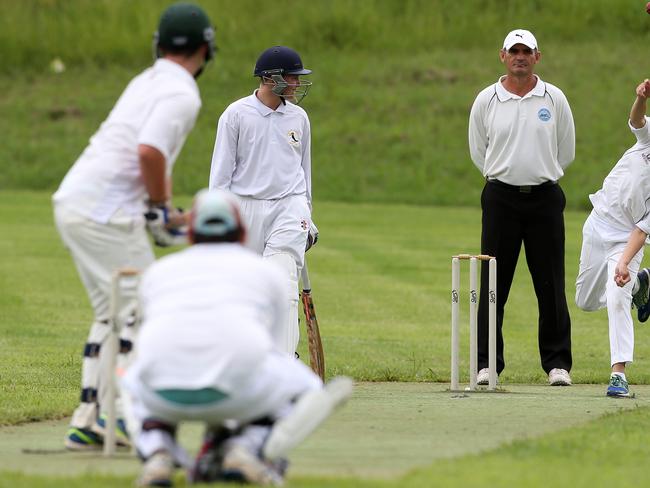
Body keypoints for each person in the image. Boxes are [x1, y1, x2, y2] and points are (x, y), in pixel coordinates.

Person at [52, 2, 217, 450]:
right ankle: (128, 416)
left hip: (77, 202)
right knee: (150, 309)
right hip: (103, 213)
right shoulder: (182, 92)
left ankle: (90, 419)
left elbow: (136, 155)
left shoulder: (146, 80)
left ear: (159, 45)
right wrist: (162, 207)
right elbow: (148, 152)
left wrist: (160, 209)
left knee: (113, 312)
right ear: (206, 48)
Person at [122, 189, 352, 487]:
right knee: (305, 387)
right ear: (242, 231)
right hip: (238, 393)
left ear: (191, 232)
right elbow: (273, 348)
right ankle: (247, 448)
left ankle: (157, 452)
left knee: (129, 380)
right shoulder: (266, 273)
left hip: (165, 396)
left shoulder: (158, 272)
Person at [468, 29, 576, 386]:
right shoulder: (488, 99)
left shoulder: (553, 97)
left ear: (537, 57)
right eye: (513, 51)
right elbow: (478, 150)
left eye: (526, 51)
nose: (520, 56)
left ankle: (558, 364)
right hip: (501, 199)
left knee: (551, 284)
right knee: (493, 283)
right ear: (503, 56)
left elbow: (566, 150)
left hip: (545, 198)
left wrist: (539, 172)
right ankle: (487, 364)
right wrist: (504, 174)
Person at [208, 45, 317, 357]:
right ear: (270, 78)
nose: (297, 83)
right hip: (245, 208)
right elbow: (220, 177)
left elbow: (304, 173)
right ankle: (246, 358)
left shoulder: (299, 118)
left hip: (289, 207)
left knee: (283, 288)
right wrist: (217, 222)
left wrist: (308, 215)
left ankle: (282, 363)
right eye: (293, 77)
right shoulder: (236, 115)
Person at [575, 79, 650, 398]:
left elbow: (642, 229)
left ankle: (618, 373)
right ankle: (640, 284)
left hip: (627, 240)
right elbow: (636, 122)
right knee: (585, 301)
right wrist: (641, 98)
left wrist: (622, 263)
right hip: (598, 222)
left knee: (617, 296)